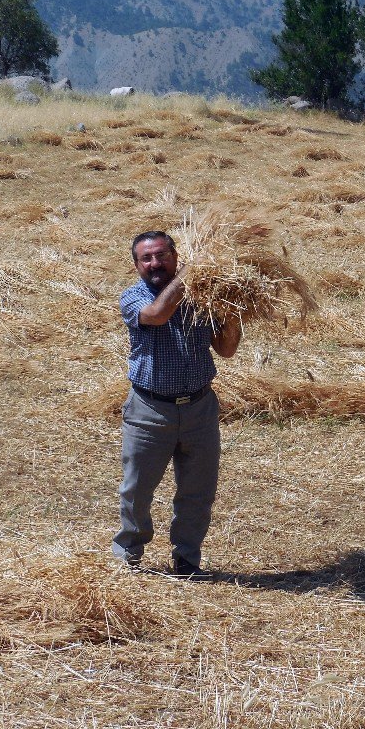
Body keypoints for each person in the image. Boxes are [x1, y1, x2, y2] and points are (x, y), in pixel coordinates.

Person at [112, 230, 242, 580]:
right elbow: (157, 313)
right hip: (149, 411)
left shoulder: (203, 297)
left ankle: (187, 559)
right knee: (136, 490)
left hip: (200, 408)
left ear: (175, 255)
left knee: (197, 492)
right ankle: (129, 555)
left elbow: (226, 349)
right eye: (147, 258)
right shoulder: (133, 297)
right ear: (137, 264)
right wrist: (193, 271)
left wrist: (233, 309)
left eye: (162, 256)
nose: (155, 263)